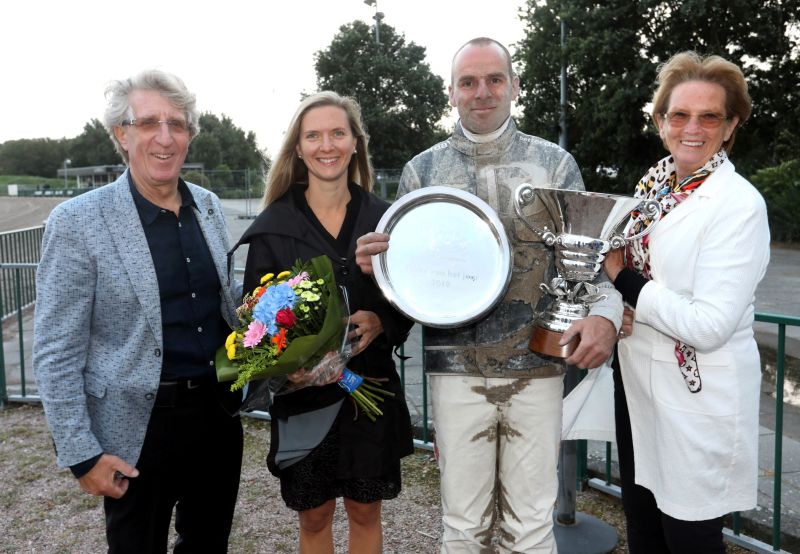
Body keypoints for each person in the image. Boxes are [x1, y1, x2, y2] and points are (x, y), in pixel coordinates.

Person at [356, 37, 623, 553]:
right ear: (451, 92)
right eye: (469, 82)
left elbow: (592, 259)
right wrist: (380, 268)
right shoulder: (422, 171)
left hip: (538, 367)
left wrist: (607, 316)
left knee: (531, 526)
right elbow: (408, 278)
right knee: (463, 525)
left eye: (494, 79)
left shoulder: (554, 163)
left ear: (515, 86)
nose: (482, 92)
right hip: (455, 369)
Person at [33, 70, 243, 553]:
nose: (165, 138)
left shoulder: (208, 206)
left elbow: (223, 299)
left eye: (177, 124)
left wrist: (286, 307)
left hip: (216, 417)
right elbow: (56, 349)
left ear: (189, 135)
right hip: (136, 430)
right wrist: (83, 455)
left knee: (208, 546)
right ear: (121, 135)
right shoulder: (78, 221)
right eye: (148, 123)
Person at [232, 91, 414, 554]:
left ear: (355, 143)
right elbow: (255, 321)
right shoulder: (274, 226)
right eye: (313, 136)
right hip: (304, 399)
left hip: (368, 387)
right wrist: (288, 365)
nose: (326, 145)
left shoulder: (385, 220)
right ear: (298, 148)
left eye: (338, 133)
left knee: (365, 510)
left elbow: (410, 299)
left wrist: (382, 321)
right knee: (314, 516)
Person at [603, 51, 770, 553]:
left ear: (731, 125)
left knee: (690, 538)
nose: (692, 128)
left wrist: (623, 279)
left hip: (697, 398)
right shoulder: (652, 190)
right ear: (660, 122)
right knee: (645, 532)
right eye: (679, 114)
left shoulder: (738, 204)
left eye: (709, 116)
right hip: (637, 384)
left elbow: (708, 325)